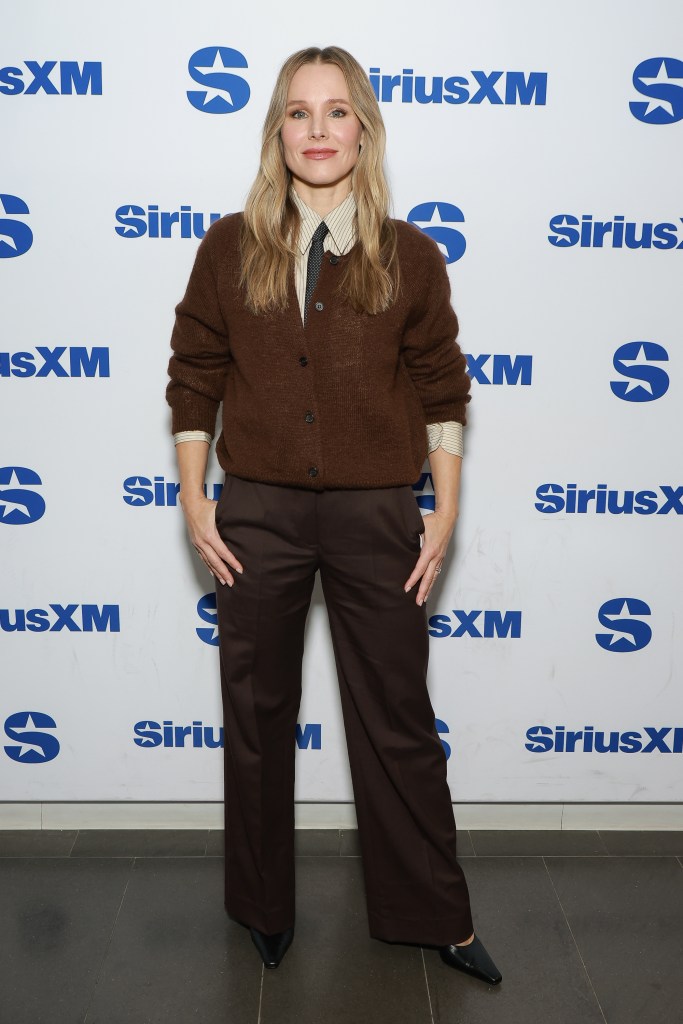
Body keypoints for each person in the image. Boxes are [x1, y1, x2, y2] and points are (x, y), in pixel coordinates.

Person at [166, 45, 501, 986]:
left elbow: (443, 389)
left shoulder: (411, 254)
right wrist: (197, 499)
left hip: (375, 519)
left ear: (365, 128)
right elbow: (194, 380)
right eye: (299, 112)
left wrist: (442, 511)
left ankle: (436, 914)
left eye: (337, 111)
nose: (319, 130)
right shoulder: (229, 247)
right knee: (257, 716)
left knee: (396, 719)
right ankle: (263, 909)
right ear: (278, 130)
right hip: (259, 516)